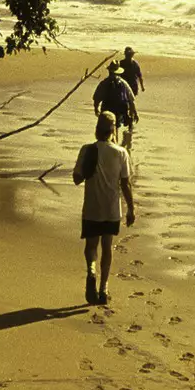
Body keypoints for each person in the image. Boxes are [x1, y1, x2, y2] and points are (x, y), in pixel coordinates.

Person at [71, 111, 135, 305]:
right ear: (113, 130)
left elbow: (76, 179)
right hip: (111, 209)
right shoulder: (121, 153)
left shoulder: (86, 150)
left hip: (92, 207)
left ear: (97, 129)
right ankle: (104, 288)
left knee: (91, 246)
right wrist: (131, 208)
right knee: (107, 247)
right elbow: (126, 183)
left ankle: (91, 270)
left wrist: (89, 169)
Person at [92, 61, 138, 150]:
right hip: (120, 110)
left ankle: (112, 146)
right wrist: (134, 112)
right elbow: (131, 99)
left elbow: (97, 97)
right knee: (115, 128)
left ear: (109, 71)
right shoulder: (123, 83)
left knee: (109, 128)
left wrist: (96, 108)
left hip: (107, 109)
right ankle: (114, 147)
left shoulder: (104, 83)